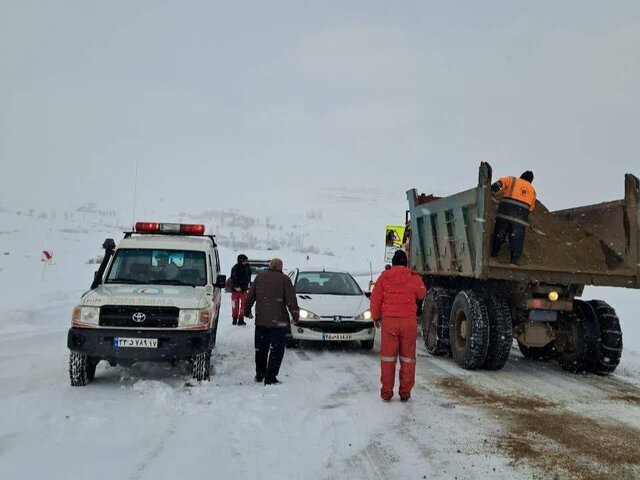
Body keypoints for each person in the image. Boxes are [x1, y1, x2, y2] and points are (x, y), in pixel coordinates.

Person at [371, 250, 427, 402]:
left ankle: (387, 392)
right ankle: (405, 392)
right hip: (409, 322)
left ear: (394, 262)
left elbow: (375, 299)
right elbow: (422, 294)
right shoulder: (413, 277)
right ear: (405, 263)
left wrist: (376, 317)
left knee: (388, 358)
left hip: (389, 322)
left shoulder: (384, 277)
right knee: (408, 358)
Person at [244, 258, 299, 385]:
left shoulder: (259, 278)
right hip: (279, 322)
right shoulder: (285, 280)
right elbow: (291, 301)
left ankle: (260, 374)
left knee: (261, 349)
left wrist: (247, 311)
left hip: (261, 321)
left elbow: (250, 296)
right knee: (277, 350)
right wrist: (295, 317)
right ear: (280, 267)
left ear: (270, 266)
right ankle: (271, 376)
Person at [490, 171, 537, 266]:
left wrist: (495, 187)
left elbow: (501, 182)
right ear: (531, 181)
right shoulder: (533, 191)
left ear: (521, 176)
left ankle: (494, 253)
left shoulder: (513, 180)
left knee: (499, 233)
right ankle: (514, 259)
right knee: (517, 238)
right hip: (520, 219)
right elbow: (531, 208)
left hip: (505, 213)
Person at [230, 254, 252, 325]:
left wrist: (248, 284)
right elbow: (233, 278)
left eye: (247, 260)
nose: (246, 262)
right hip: (235, 290)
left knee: (244, 305)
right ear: (241, 260)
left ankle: (241, 319)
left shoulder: (247, 267)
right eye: (245, 260)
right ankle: (234, 319)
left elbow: (249, 276)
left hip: (244, 290)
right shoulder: (235, 268)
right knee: (235, 305)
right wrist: (236, 286)